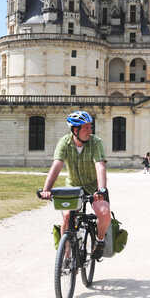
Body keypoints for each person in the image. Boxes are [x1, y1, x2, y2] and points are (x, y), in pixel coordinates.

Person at [40, 110, 111, 260]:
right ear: (75, 130)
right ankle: (66, 256)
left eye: (90, 127)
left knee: (104, 213)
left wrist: (102, 189)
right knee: (67, 217)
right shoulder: (64, 143)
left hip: (94, 187)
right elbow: (57, 166)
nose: (90, 130)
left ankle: (99, 240)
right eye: (86, 127)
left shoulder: (95, 142)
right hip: (73, 186)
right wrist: (46, 189)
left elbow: (100, 166)